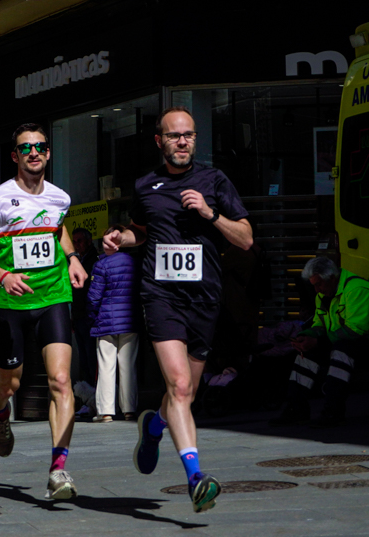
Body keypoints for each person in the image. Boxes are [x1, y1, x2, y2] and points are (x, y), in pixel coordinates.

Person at [104, 107, 253, 514]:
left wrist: (210, 213)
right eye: (174, 136)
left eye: (188, 135)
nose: (183, 142)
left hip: (204, 297)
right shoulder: (145, 185)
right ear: (160, 141)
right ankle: (196, 479)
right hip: (161, 296)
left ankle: (154, 426)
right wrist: (121, 237)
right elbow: (140, 231)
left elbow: (245, 239)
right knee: (181, 387)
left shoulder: (214, 181)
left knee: (184, 393)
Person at [0, 124, 88, 501]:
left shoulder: (60, 197)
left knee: (60, 380)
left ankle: (59, 470)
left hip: (54, 295)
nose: (34, 153)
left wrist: (72, 258)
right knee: (10, 382)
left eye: (40, 146)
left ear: (48, 153)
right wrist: (3, 275)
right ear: (15, 156)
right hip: (10, 304)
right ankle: (0, 411)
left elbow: (57, 229)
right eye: (26, 148)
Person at [269, 256, 369, 428]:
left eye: (319, 284)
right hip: (351, 340)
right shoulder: (323, 294)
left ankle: (333, 411)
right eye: (313, 285)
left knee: (341, 350)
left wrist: (317, 342)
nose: (316, 290)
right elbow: (319, 324)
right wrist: (306, 336)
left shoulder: (357, 289)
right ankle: (296, 409)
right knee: (306, 352)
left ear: (332, 278)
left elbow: (354, 331)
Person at [89, 226, 140, 423]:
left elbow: (94, 297)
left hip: (106, 322)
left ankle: (106, 411)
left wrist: (91, 317)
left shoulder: (101, 265)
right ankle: (129, 410)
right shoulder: (134, 263)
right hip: (130, 321)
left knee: (106, 365)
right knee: (128, 366)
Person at [71, 227, 99, 387]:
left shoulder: (94, 261)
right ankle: (87, 395)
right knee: (84, 359)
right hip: (79, 316)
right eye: (74, 242)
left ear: (89, 241)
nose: (77, 245)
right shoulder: (76, 261)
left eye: (79, 241)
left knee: (91, 358)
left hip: (90, 316)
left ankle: (94, 394)